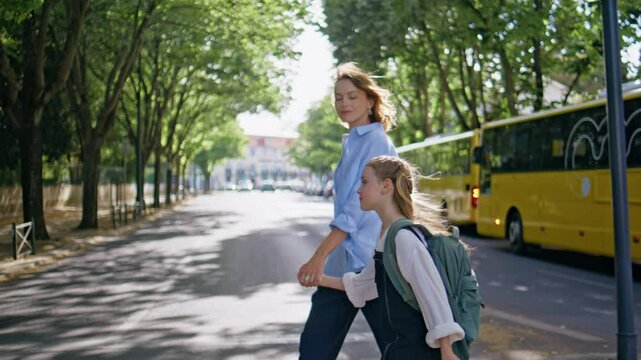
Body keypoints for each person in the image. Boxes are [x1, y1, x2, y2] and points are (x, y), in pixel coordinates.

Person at [319, 156, 465, 360]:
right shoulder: (387, 235)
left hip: (418, 353)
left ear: (386, 186)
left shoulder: (403, 238)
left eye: (364, 182)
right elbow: (365, 283)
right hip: (399, 350)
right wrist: (321, 279)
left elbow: (432, 294)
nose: (358, 190)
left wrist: (447, 351)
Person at [298, 62, 398, 359]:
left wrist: (319, 256)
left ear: (370, 100)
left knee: (398, 350)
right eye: (339, 97)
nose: (344, 103)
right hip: (345, 265)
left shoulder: (376, 142)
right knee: (315, 348)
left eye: (352, 96)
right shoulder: (353, 144)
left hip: (373, 264)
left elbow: (354, 211)